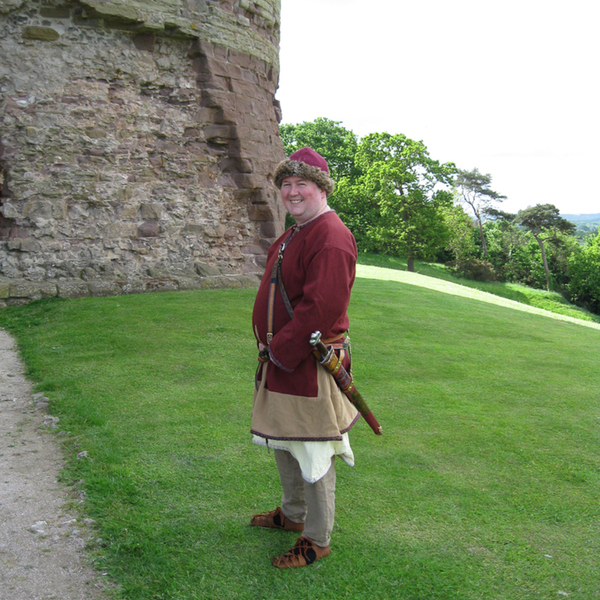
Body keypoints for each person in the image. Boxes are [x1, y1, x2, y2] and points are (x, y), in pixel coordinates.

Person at [250, 147, 360, 568]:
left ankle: (317, 538)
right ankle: (293, 516)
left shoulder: (330, 236)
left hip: (307, 363)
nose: (292, 192)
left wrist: (280, 350)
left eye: (302, 185)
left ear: (321, 189)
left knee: (313, 451)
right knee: (283, 439)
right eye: (287, 185)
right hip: (281, 360)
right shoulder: (298, 229)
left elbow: (322, 309)